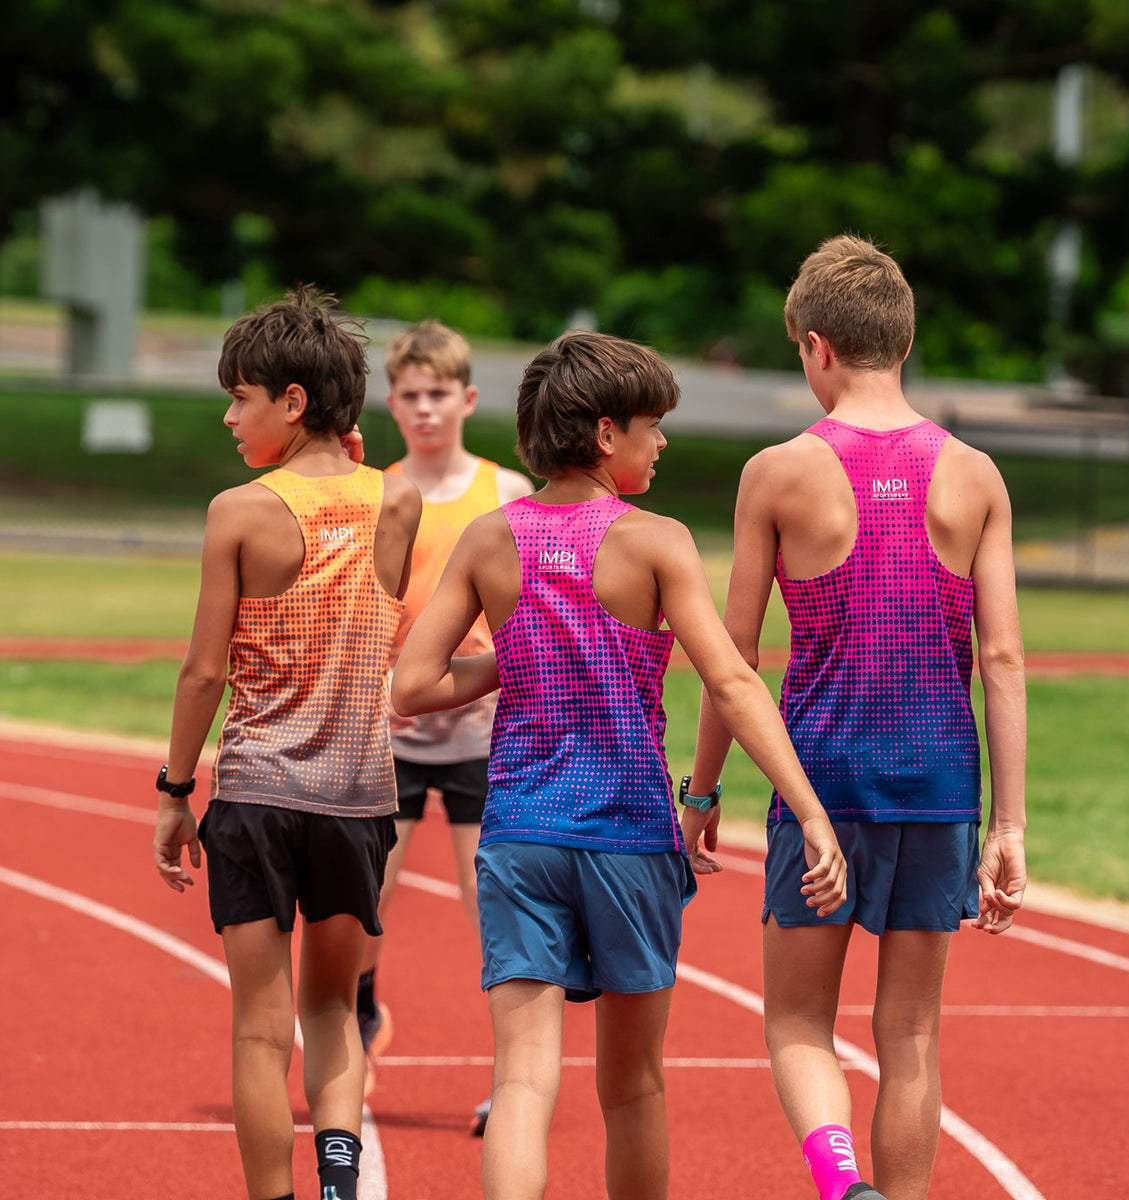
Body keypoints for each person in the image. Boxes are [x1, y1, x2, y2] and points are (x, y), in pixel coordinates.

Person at [391, 329, 848, 1200]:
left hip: (522, 830)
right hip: (628, 837)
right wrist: (809, 809)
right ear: (606, 435)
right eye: (652, 425)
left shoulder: (492, 539)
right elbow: (734, 681)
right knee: (632, 1085)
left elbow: (411, 684)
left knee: (523, 1078)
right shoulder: (657, 542)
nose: (663, 441)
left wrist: (514, 653)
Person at [683, 234, 1028, 1200]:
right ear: (904, 343)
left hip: (822, 792)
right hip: (940, 789)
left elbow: (734, 660)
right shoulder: (975, 475)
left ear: (817, 346)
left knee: (796, 1023)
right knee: (910, 1034)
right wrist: (1009, 823)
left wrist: (702, 791)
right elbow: (1000, 656)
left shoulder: (779, 472)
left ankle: (843, 1186)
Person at [152, 286, 422, 1200]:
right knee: (334, 1010)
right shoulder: (401, 500)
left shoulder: (239, 511)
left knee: (261, 1030)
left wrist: (173, 788)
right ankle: (342, 1185)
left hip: (258, 795)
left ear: (293, 401)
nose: (231, 418)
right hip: (359, 800)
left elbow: (203, 672)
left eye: (241, 398)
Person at [356, 319, 533, 1118]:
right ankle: (358, 1027)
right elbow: (365, 612)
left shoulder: (508, 494)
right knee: (371, 896)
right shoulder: (380, 493)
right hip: (394, 728)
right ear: (391, 402)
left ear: (466, 399)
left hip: (481, 733)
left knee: (487, 901)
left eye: (439, 394)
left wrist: (485, 681)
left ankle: (511, 1077)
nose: (425, 409)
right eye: (410, 395)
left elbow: (528, 615)